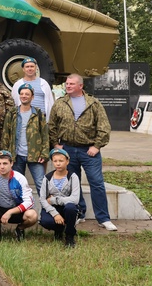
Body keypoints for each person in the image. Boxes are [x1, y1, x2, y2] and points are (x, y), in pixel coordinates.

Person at [49, 73, 117, 231]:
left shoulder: (93, 103)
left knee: (97, 183)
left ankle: (103, 218)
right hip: (67, 150)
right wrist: (55, 144)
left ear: (81, 86)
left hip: (89, 151)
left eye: (72, 84)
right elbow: (52, 125)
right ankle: (79, 213)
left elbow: (104, 127)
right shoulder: (60, 103)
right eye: (67, 83)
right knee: (73, 184)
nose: (68, 86)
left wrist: (97, 146)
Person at [0, 83, 48, 196]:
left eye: (27, 94)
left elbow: (45, 135)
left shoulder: (38, 113)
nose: (24, 96)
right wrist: (5, 154)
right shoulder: (12, 113)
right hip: (16, 156)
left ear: (32, 97)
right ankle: (18, 212)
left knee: (41, 184)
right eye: (22, 94)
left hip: (35, 155)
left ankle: (46, 212)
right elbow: (6, 134)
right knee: (15, 185)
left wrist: (44, 153)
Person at [0, 150, 38, 241]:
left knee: (32, 216)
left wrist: (10, 212)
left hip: (15, 208)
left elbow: (29, 202)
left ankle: (20, 229)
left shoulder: (20, 178)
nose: (2, 167)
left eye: (5, 163)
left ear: (11, 163)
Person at [39, 148, 81, 247]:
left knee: (70, 208)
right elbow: (43, 199)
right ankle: (58, 230)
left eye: (61, 161)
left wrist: (54, 199)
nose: (58, 164)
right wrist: (55, 214)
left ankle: (70, 235)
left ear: (67, 161)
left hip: (67, 207)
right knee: (45, 221)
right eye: (55, 161)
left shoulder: (73, 177)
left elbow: (75, 199)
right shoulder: (47, 178)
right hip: (53, 208)